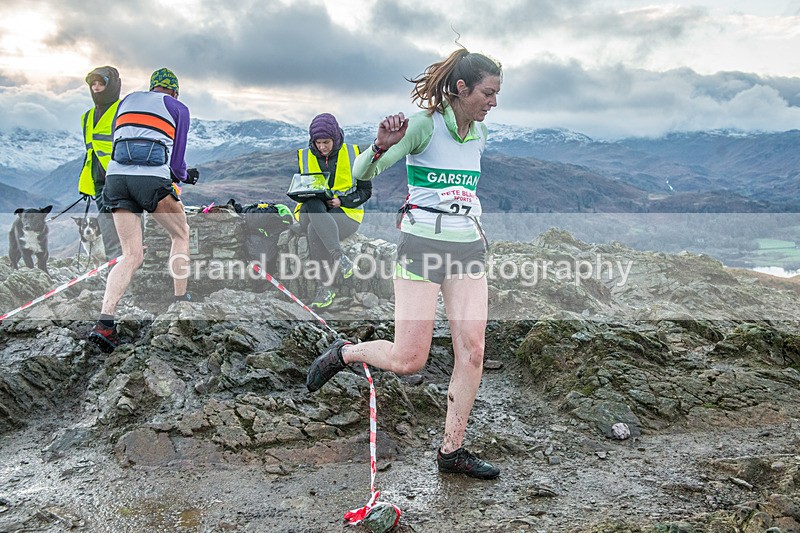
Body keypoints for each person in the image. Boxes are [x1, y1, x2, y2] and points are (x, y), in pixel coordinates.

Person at [305, 48, 503, 479]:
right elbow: (361, 173)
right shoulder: (423, 127)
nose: (493, 102)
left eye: (497, 94)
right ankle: (346, 353)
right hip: (422, 248)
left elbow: (462, 188)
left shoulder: (480, 135)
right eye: (488, 93)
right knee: (410, 359)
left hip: (468, 248)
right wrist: (379, 146)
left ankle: (453, 450)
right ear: (462, 88)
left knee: (473, 350)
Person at [88, 67, 193, 353]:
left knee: (130, 255)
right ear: (174, 90)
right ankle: (179, 301)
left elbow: (115, 143)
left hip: (116, 180)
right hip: (150, 180)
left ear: (151, 88)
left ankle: (105, 322)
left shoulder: (127, 102)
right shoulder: (177, 107)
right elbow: (177, 160)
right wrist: (183, 176)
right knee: (180, 233)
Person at [295, 113, 372, 308]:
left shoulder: (355, 154)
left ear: (335, 138)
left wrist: (343, 201)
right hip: (309, 211)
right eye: (318, 142)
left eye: (326, 142)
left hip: (344, 214)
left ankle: (326, 288)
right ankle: (339, 257)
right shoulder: (305, 155)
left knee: (315, 230)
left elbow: (365, 191)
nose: (322, 147)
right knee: (313, 204)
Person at [78, 66, 123, 260]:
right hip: (99, 184)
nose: (96, 88)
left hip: (121, 180)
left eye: (101, 83)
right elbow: (91, 153)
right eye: (93, 84)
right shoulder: (86, 117)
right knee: (109, 234)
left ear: (111, 85)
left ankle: (134, 273)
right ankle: (116, 274)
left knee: (128, 232)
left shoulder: (123, 110)